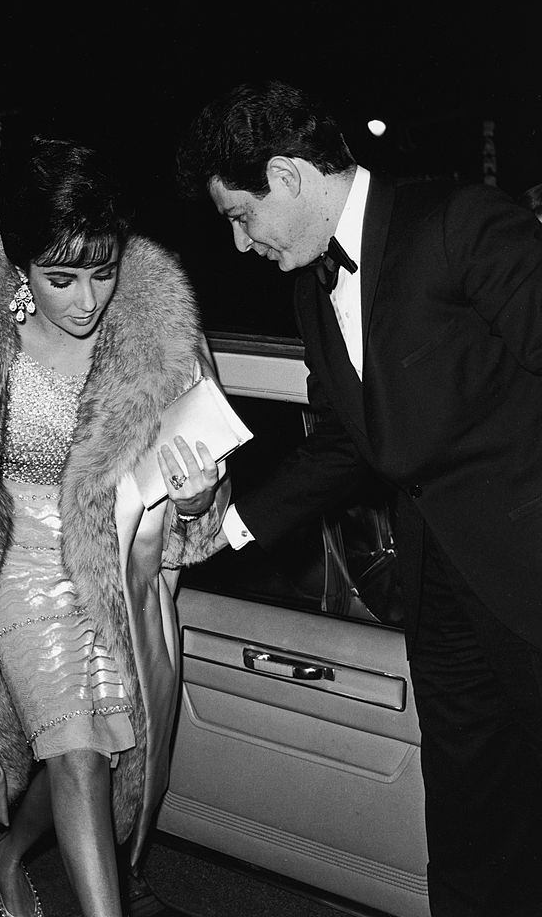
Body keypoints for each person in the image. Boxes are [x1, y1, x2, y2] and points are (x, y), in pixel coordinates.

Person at [177, 78, 542, 917]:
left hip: (528, 578)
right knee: (470, 820)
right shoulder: (310, 288)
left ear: (290, 176)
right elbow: (348, 442)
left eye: (240, 215)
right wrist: (228, 528)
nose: (239, 245)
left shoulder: (457, 223)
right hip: (439, 591)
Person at [0, 137, 227, 917]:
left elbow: (200, 486)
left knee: (101, 750)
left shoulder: (159, 346)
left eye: (104, 271)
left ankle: (9, 850)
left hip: (112, 574)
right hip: (19, 572)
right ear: (20, 268)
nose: (87, 299)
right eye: (60, 278)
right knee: (79, 756)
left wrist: (196, 501)